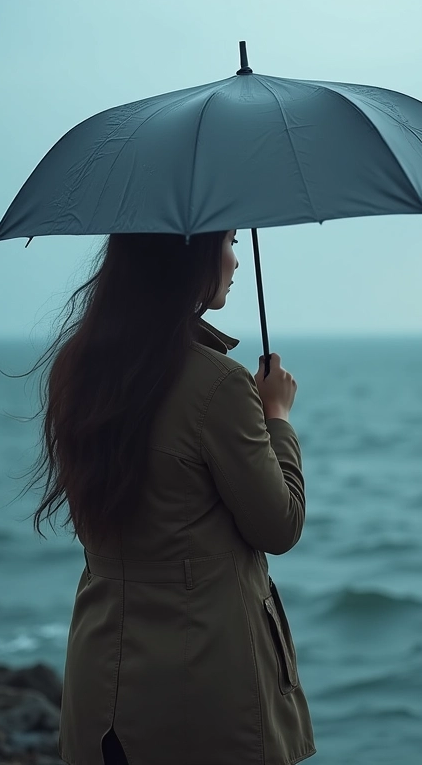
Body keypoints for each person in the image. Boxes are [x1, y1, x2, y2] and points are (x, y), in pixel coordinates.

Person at [26, 230, 315, 764]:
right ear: (187, 257)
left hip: (101, 683)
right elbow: (280, 525)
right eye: (227, 243)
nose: (235, 260)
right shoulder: (219, 384)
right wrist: (276, 416)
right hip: (203, 690)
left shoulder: (80, 369)